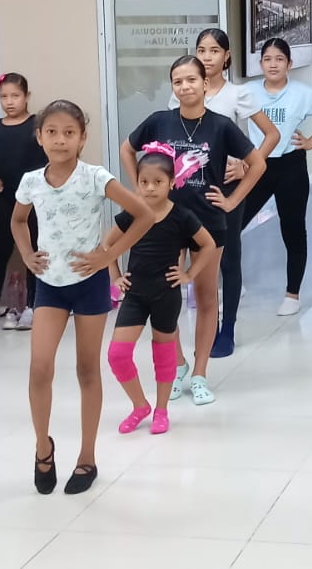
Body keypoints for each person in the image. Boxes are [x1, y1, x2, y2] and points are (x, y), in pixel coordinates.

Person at [13, 100, 154, 495]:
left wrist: (109, 256)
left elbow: (144, 214)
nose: (60, 140)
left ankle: (87, 457)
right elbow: (18, 220)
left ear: (82, 138)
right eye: (52, 132)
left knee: (87, 370)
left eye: (69, 133)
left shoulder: (95, 177)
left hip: (89, 285)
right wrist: (26, 254)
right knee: (39, 367)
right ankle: (43, 448)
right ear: (39, 137)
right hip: (50, 285)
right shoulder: (31, 181)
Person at [127, 55, 266, 406]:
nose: (185, 86)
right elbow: (128, 149)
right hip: (166, 223)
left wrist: (232, 201)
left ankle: (200, 373)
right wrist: (141, 192)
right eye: (178, 81)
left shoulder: (221, 126)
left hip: (208, 222)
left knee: (205, 297)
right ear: (172, 87)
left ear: (205, 84)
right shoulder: (159, 121)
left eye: (191, 80)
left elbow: (257, 163)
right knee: (166, 296)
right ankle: (178, 367)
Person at [167, 29, 279, 357]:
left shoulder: (237, 94)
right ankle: (191, 327)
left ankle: (226, 328)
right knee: (186, 253)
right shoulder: (182, 91)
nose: (207, 56)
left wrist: (245, 164)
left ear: (226, 56)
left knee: (228, 256)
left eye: (214, 50)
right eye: (201, 49)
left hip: (223, 187)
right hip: (187, 188)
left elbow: (271, 134)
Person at [105, 144, 219, 435]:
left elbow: (207, 244)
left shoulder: (182, 216)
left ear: (172, 183)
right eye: (144, 182)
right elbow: (107, 245)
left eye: (157, 182)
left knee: (163, 353)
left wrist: (189, 274)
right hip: (135, 294)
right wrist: (115, 277)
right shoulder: (132, 214)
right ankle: (139, 405)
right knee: (117, 354)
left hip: (165, 294)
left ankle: (162, 410)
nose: (150, 188)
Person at [240, 38, 312, 316]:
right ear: (260, 63)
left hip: (290, 167)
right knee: (230, 225)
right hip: (258, 166)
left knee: (293, 229)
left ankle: (292, 295)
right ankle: (234, 283)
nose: (273, 64)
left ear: (289, 63)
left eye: (279, 59)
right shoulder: (247, 92)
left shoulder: (302, 93)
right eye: (267, 59)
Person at [0, 73, 48, 332]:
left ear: (27, 96)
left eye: (15, 96)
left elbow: (55, 153)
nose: (9, 102)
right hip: (4, 198)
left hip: (35, 200)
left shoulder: (38, 124)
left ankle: (33, 306)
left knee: (35, 250)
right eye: (4, 96)